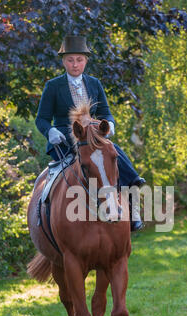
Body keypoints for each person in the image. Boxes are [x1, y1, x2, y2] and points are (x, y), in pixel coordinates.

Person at [35, 35, 144, 231]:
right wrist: (49, 130)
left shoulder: (95, 83)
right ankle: (48, 213)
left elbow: (106, 113)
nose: (75, 64)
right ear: (63, 61)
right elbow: (41, 119)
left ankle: (133, 199)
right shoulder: (53, 86)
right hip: (63, 139)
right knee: (69, 173)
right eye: (70, 60)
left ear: (86, 61)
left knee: (114, 153)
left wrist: (109, 124)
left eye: (79, 60)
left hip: (92, 137)